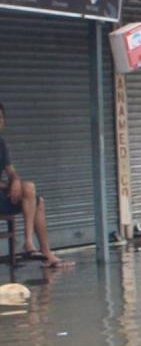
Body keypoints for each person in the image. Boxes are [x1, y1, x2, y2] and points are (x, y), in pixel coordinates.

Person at [0, 102, 67, 267]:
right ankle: (36, 249)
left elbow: (11, 171)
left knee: (34, 195)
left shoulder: (0, 143)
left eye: (1, 117)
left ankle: (33, 246)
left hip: (2, 197)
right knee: (32, 196)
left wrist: (15, 180)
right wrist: (7, 186)